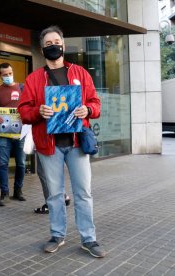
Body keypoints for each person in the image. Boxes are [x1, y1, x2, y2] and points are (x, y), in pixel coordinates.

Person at [17, 26, 106, 258]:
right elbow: (23, 111)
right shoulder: (35, 78)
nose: (53, 46)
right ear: (42, 49)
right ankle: (57, 234)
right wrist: (38, 111)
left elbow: (96, 104)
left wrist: (87, 109)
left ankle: (89, 238)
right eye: (48, 44)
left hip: (77, 143)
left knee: (83, 193)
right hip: (49, 145)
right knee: (55, 194)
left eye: (56, 42)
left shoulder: (81, 73)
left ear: (63, 46)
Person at [0, 63, 26, 206]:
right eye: (5, 74)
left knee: (21, 163)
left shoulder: (23, 88)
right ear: (0, 75)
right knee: (3, 164)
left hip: (21, 132)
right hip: (3, 133)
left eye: (10, 73)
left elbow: (31, 104)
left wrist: (26, 116)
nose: (8, 76)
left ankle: (18, 190)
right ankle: (4, 193)